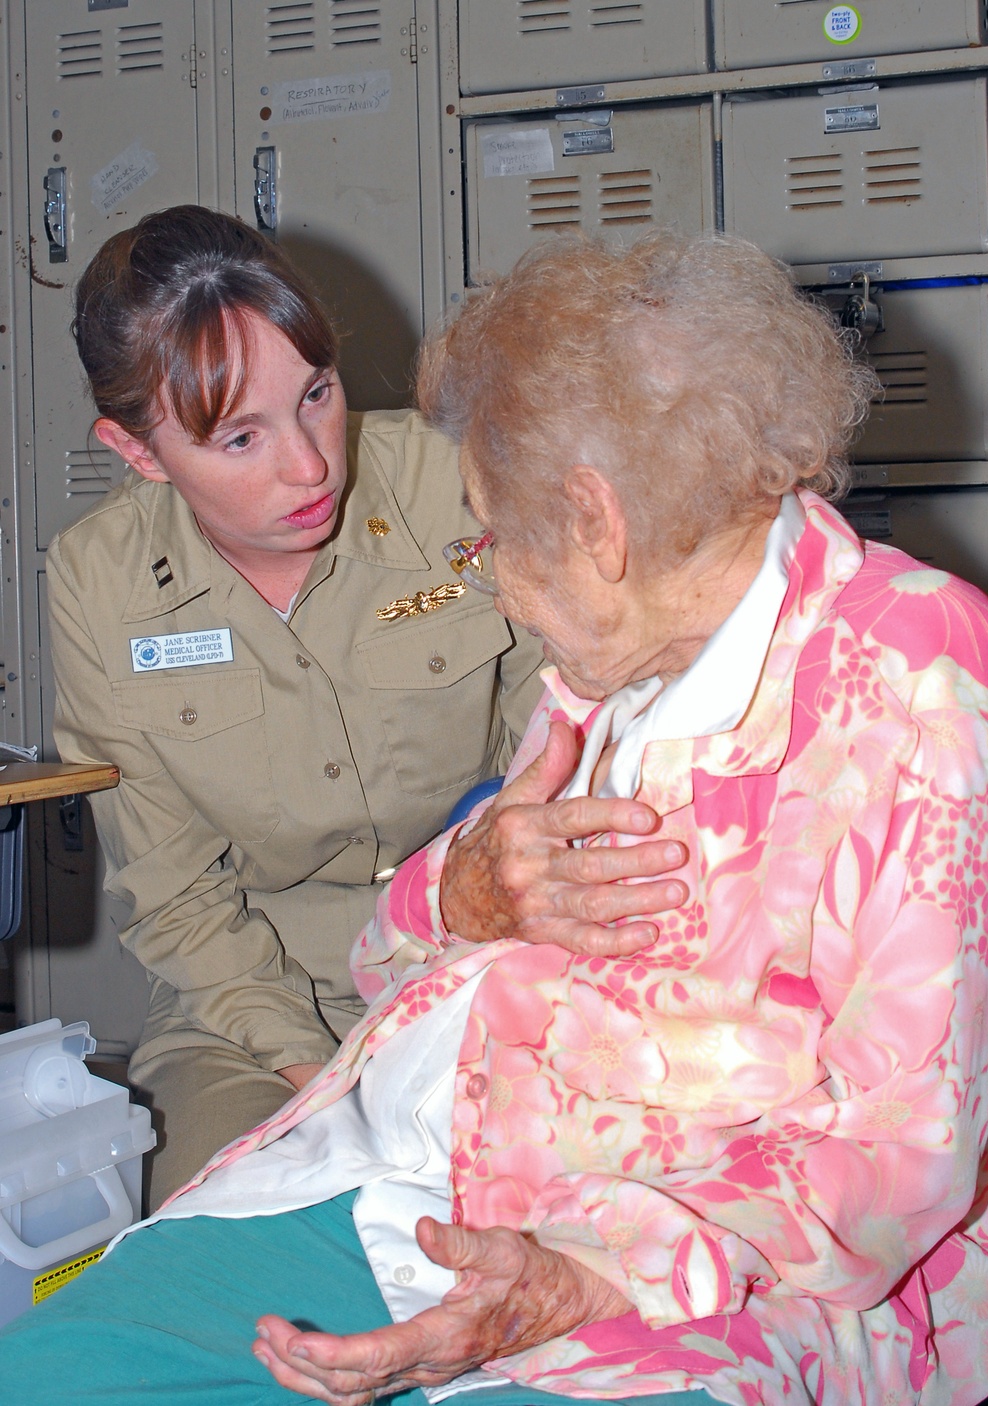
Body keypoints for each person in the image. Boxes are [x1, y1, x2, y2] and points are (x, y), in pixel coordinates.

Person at [4, 230, 988, 1406]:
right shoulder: (608, 664)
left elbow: (898, 1147)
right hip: (426, 1152)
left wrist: (590, 1271)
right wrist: (461, 890)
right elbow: (390, 956)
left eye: (499, 538)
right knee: (60, 1365)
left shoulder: (905, 670)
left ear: (595, 523)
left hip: (679, 1236)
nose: (496, 579)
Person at [52, 206, 689, 1205]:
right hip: (254, 1004)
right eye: (239, 436)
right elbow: (176, 894)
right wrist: (324, 1079)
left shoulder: (452, 486)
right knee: (234, 1240)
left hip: (492, 945)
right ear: (137, 452)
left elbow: (578, 727)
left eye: (316, 394)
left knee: (571, 1218)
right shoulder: (99, 586)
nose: (308, 464)